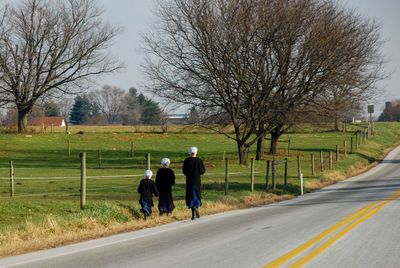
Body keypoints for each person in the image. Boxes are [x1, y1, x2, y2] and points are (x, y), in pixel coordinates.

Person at [183, 147, 205, 220]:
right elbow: (202, 171)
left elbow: (184, 171)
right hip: (197, 180)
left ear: (189, 152)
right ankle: (197, 207)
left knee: (190, 195)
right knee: (197, 194)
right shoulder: (199, 160)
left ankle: (193, 214)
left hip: (189, 180)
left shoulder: (186, 160)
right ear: (196, 152)